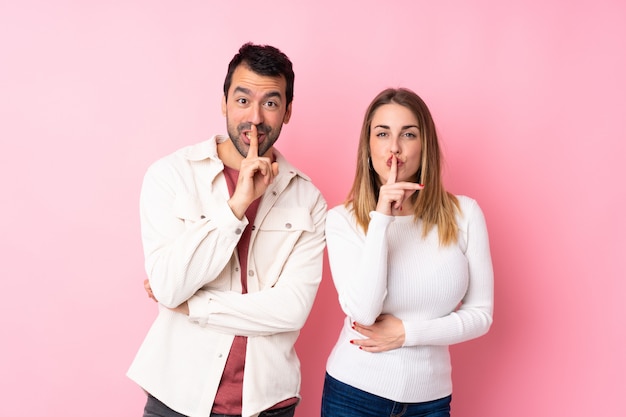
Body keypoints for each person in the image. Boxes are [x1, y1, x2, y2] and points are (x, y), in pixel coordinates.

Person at [127, 42, 327, 417]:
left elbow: (291, 311)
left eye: (270, 102)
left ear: (287, 112)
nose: (255, 117)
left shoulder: (308, 200)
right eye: (242, 100)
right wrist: (236, 207)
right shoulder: (170, 176)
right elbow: (169, 286)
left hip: (268, 402)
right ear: (223, 103)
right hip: (177, 397)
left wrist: (192, 304)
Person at [321, 88, 494, 417]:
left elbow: (481, 315)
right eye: (382, 133)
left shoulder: (465, 215)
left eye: (408, 134)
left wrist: (407, 334)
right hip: (354, 395)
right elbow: (364, 312)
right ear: (368, 145)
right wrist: (382, 218)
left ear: (424, 144)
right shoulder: (341, 220)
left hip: (431, 401)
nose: (394, 147)